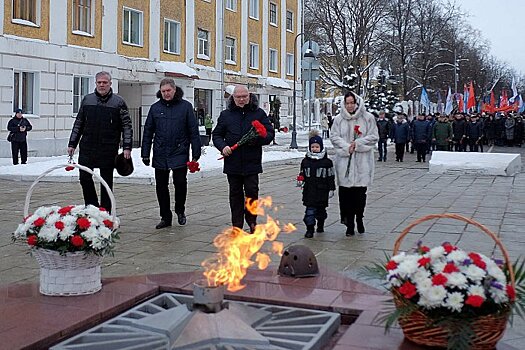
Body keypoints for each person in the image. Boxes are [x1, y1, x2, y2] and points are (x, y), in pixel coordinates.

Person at [212, 85, 274, 233]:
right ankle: (237, 225)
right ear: (233, 98)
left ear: (249, 96)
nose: (241, 100)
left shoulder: (258, 113)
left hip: (251, 162)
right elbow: (217, 135)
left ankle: (252, 221)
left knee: (252, 192)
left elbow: (270, 134)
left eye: (244, 97)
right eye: (238, 97)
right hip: (232, 162)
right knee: (235, 194)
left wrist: (257, 140)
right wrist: (223, 147)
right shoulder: (226, 115)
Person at [68, 71, 132, 213]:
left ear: (110, 84)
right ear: (95, 83)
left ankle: (105, 212)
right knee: (84, 178)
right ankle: (92, 207)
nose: (102, 85)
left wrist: (127, 147)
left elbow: (127, 126)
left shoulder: (118, 102)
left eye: (105, 82)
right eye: (99, 82)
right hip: (87, 147)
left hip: (108, 148)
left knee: (106, 182)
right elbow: (79, 123)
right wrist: (72, 143)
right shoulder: (87, 100)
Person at [141, 78, 202, 229]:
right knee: (161, 186)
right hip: (161, 151)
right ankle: (165, 216)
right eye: (163, 91)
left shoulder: (185, 107)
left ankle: (180, 210)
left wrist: (196, 153)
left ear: (174, 90)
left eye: (168, 91)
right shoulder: (155, 108)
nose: (166, 94)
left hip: (179, 150)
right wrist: (145, 153)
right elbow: (148, 131)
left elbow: (193, 131)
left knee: (180, 183)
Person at [330, 91, 378, 237]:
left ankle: (359, 218)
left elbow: (374, 136)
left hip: (362, 162)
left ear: (357, 103)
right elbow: (334, 136)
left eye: (352, 103)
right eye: (347, 103)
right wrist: (346, 147)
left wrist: (357, 143)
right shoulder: (339, 119)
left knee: (360, 196)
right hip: (344, 162)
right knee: (345, 197)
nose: (350, 106)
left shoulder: (368, 118)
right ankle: (349, 223)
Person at [298, 131, 336, 238]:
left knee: (321, 212)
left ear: (321, 147)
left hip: (322, 191)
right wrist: (301, 180)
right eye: (313, 147)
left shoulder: (327, 162)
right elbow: (302, 173)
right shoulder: (305, 161)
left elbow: (330, 176)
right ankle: (310, 229)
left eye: (317, 146)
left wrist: (331, 189)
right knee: (309, 212)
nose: (314, 149)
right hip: (309, 191)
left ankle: (320, 224)